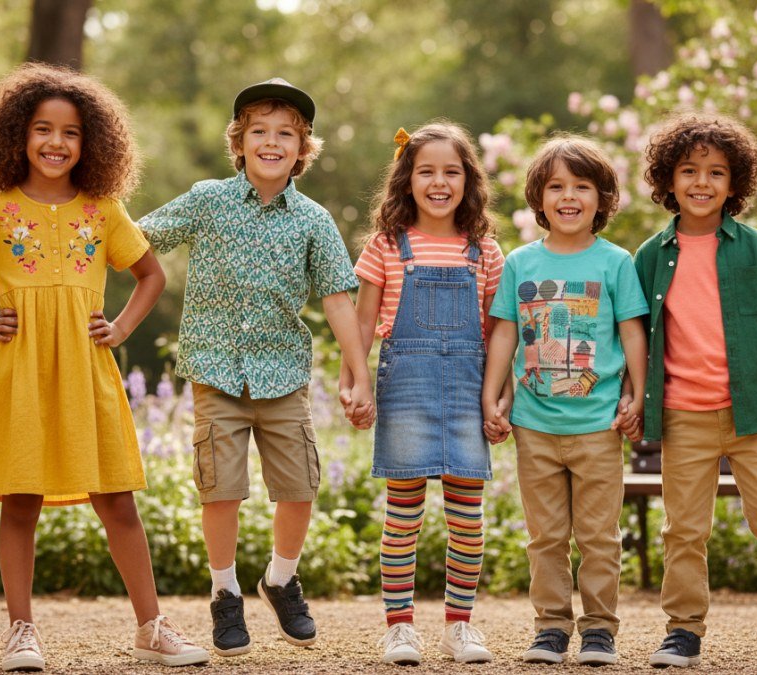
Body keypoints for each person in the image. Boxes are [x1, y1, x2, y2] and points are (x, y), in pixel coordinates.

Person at [0, 63, 207, 671]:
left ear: (91, 142)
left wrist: (122, 326)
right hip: (19, 371)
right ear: (16, 136)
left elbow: (151, 273)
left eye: (71, 132)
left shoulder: (104, 210)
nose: (56, 143)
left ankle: (151, 628)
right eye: (43, 129)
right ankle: (21, 632)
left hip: (87, 368)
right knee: (19, 501)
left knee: (118, 499)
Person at [138, 78, 373, 657]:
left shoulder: (313, 220)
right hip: (215, 371)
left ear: (302, 149)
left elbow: (339, 299)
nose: (272, 143)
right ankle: (225, 594)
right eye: (259, 132)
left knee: (299, 487)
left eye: (286, 135)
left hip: (284, 374)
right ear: (239, 143)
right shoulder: (207, 199)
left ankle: (281, 577)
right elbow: (138, 237)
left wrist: (359, 373)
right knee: (221, 489)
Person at [634, 112, 757, 668]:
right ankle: (683, 631)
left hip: (753, 414)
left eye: (716, 172)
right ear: (667, 180)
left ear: (734, 182)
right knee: (684, 531)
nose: (702, 182)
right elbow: (634, 335)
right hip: (683, 416)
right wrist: (633, 396)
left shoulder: (754, 247)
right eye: (689, 170)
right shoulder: (650, 256)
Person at [481, 135, 648, 667]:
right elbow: (504, 333)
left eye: (582, 186)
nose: (568, 196)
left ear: (603, 199)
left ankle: (599, 629)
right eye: (556, 186)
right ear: (538, 197)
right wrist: (493, 394)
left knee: (599, 537)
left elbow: (632, 333)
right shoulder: (521, 263)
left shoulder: (615, 262)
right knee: (546, 536)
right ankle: (551, 628)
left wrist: (637, 394)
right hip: (534, 424)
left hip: (598, 423)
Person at [343, 123, 505, 665]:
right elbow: (363, 324)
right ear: (406, 179)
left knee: (467, 518)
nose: (439, 182)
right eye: (427, 171)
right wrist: (355, 383)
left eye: (451, 171)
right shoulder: (387, 245)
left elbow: (497, 331)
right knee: (402, 516)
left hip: (465, 391)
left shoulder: (486, 250)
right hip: (405, 391)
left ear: (469, 180)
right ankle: (400, 628)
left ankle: (459, 626)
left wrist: (496, 398)